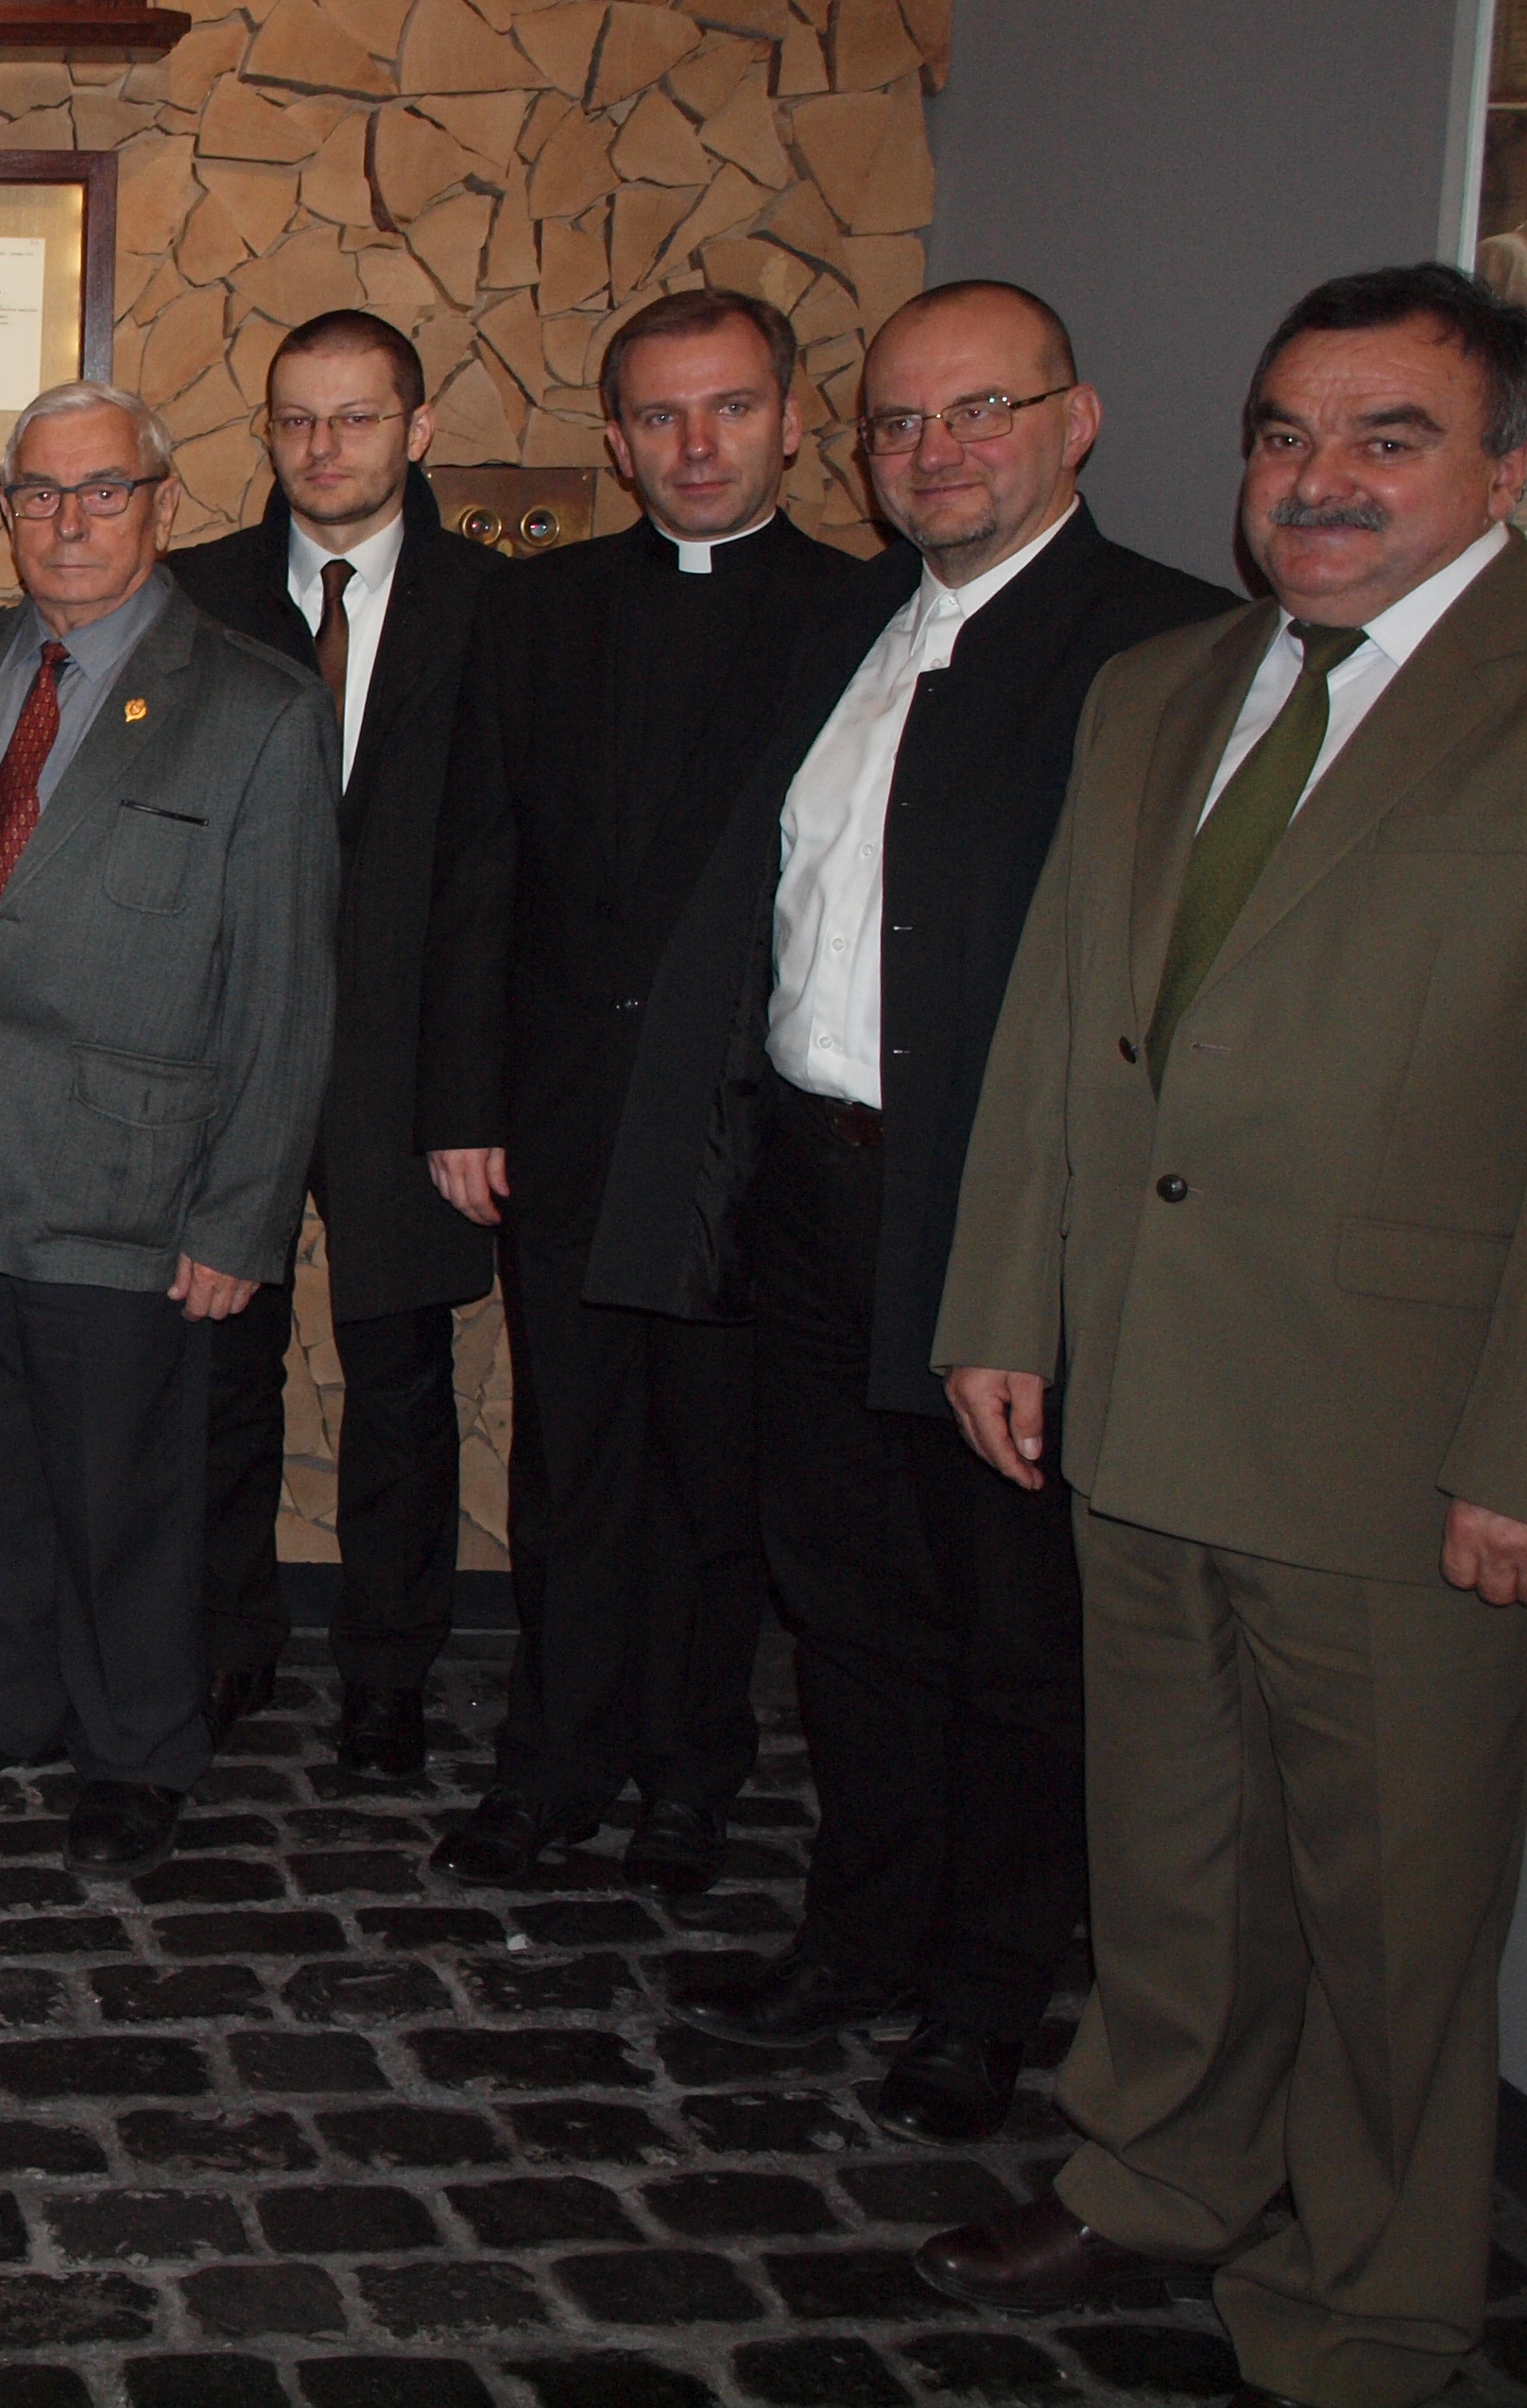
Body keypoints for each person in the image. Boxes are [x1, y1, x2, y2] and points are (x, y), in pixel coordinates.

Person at [915, 262, 1527, 2407]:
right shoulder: (1163, 689)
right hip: (1143, 1388)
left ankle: (1371, 2299)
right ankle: (1156, 2172)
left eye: (1387, 437)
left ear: (1506, 472)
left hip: (1402, 1433)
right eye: (1284, 434)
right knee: (1170, 1848)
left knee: (1389, 1912)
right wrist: (1004, 1298)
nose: (1318, 478)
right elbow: (1062, 1022)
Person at [590, 282, 1231, 2138]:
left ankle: (983, 1989)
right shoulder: (849, 622)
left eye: (979, 411)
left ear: (1074, 421)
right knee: (849, 1600)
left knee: (1012, 1627)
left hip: (1004, 1216)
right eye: (900, 422)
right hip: (812, 1192)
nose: (933, 451)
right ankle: (857, 1935)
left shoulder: (1164, 651)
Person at [0, 379, 335, 1876]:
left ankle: (137, 1748)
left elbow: (284, 993)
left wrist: (241, 1217)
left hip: (130, 1185)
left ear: (162, 504)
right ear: (7, 512)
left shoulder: (257, 707)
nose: (68, 521)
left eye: (102, 489)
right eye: (40, 494)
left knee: (126, 1497)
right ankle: (10, 1705)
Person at [417, 287, 862, 1894]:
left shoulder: (862, 616)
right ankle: (553, 1759)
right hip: (566, 1115)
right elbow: (478, 862)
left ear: (789, 420)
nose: (697, 444)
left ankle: (691, 1774)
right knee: (571, 1465)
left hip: (752, 1130)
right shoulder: (532, 610)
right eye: (662, 416)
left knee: (714, 1476)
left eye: (730, 407)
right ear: (615, 441)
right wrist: (462, 1100)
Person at [167, 308, 500, 1781]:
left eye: (357, 418)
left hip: (409, 1069)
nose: (323, 446)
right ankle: (224, 1643)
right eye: (297, 419)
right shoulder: (192, 595)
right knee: (215, 1372)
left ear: (416, 430)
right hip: (225, 1056)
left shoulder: (499, 610)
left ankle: (388, 1675)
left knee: (402, 1384)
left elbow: (501, 866)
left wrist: (475, 1091)